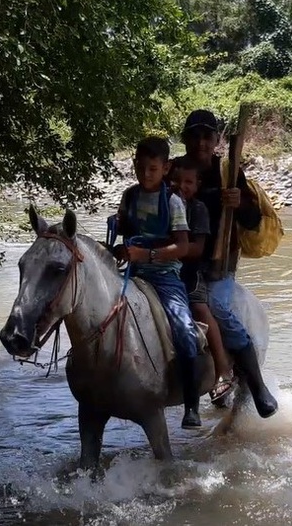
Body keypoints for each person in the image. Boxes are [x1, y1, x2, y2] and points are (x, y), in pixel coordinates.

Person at [170, 109, 279, 418]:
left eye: (207, 136)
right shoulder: (176, 170)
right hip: (176, 264)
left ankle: (256, 385)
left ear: (217, 140)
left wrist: (238, 201)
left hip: (217, 268)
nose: (201, 142)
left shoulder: (228, 171)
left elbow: (252, 218)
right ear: (185, 140)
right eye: (194, 136)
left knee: (217, 307)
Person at [114, 136, 202, 429]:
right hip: (133, 274)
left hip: (165, 278)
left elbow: (183, 247)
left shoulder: (173, 202)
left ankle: (191, 404)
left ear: (165, 169)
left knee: (185, 330)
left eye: (152, 169)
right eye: (141, 168)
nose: (145, 174)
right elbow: (124, 233)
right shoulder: (129, 196)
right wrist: (120, 247)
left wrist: (147, 254)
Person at [169, 156, 237, 405]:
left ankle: (222, 371)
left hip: (188, 273)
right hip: (159, 269)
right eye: (175, 180)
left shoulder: (197, 209)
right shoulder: (161, 204)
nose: (180, 186)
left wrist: (165, 250)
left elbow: (197, 250)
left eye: (187, 182)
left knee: (200, 308)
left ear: (196, 185)